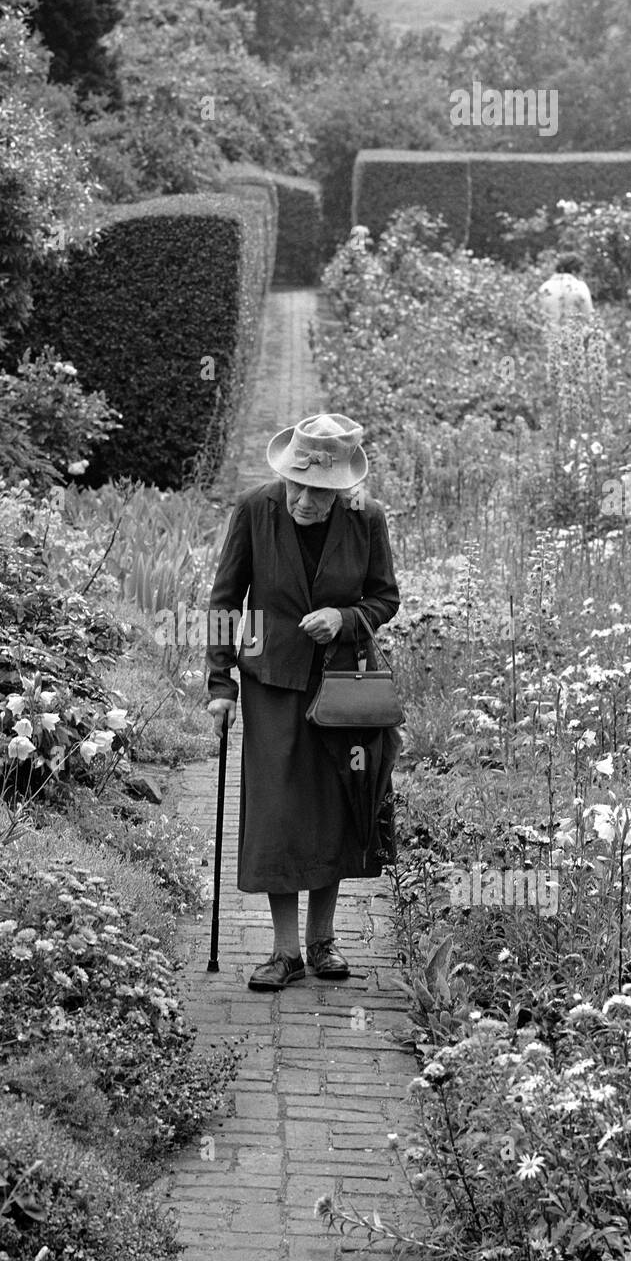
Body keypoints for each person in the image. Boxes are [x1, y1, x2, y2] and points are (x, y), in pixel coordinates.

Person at [204, 413, 402, 991]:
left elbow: (384, 597)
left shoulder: (367, 519)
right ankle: (284, 951)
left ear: (341, 488)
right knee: (278, 812)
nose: (304, 499)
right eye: (297, 484)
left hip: (343, 688)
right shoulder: (255, 509)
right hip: (271, 683)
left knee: (335, 809)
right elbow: (225, 601)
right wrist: (221, 685)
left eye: (318, 491)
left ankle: (324, 941)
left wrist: (345, 619)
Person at [536, 252, 594, 327]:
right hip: (572, 336)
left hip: (548, 335)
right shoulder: (580, 287)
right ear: (575, 271)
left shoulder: (544, 287)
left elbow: (538, 317)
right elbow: (589, 317)